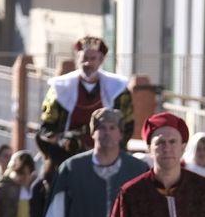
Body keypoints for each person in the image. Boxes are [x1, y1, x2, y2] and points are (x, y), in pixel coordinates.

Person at [37, 36, 134, 176]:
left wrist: (114, 147)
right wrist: (62, 139)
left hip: (108, 154)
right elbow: (47, 127)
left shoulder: (118, 90)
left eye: (93, 58)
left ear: (101, 60)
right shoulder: (59, 88)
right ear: (78, 59)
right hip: (68, 155)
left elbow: (128, 125)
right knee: (43, 186)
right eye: (84, 58)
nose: (88, 63)